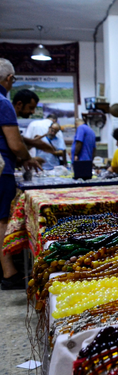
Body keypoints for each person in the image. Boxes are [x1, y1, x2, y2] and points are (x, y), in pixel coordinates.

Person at [0, 58, 41, 290]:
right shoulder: (3, 102)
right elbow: (15, 144)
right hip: (1, 168)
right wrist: (28, 158)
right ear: (9, 79)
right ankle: (10, 273)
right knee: (2, 219)